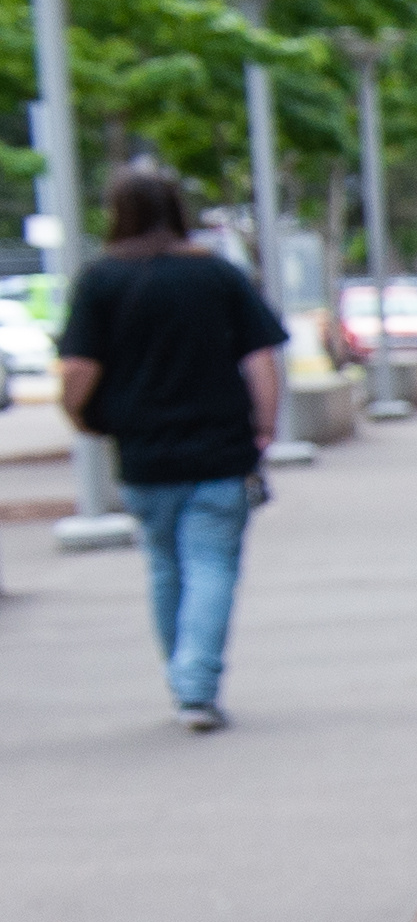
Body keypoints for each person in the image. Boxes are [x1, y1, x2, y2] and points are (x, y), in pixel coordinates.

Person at [56, 170, 283, 731]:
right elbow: (260, 362)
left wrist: (80, 417)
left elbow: (79, 368)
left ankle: (182, 679)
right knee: (211, 564)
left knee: (165, 566)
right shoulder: (218, 276)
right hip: (220, 448)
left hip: (142, 451)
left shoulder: (100, 279)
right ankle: (197, 686)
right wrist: (265, 428)